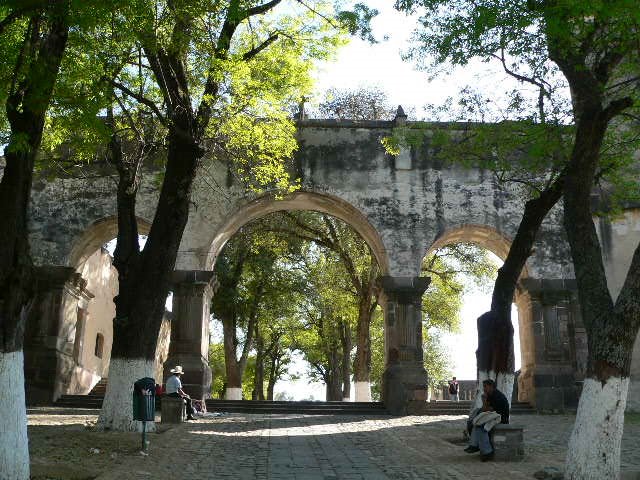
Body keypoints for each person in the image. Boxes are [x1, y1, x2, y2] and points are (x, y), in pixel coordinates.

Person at [464, 379, 510, 461]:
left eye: (485, 386)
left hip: (501, 419)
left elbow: (487, 410)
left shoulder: (498, 396)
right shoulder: (490, 395)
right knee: (477, 423)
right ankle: (474, 446)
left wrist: (484, 400)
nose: (484, 389)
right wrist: (484, 401)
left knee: (482, 426)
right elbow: (484, 409)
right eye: (483, 386)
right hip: (492, 417)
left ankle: (486, 451)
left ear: (491, 386)